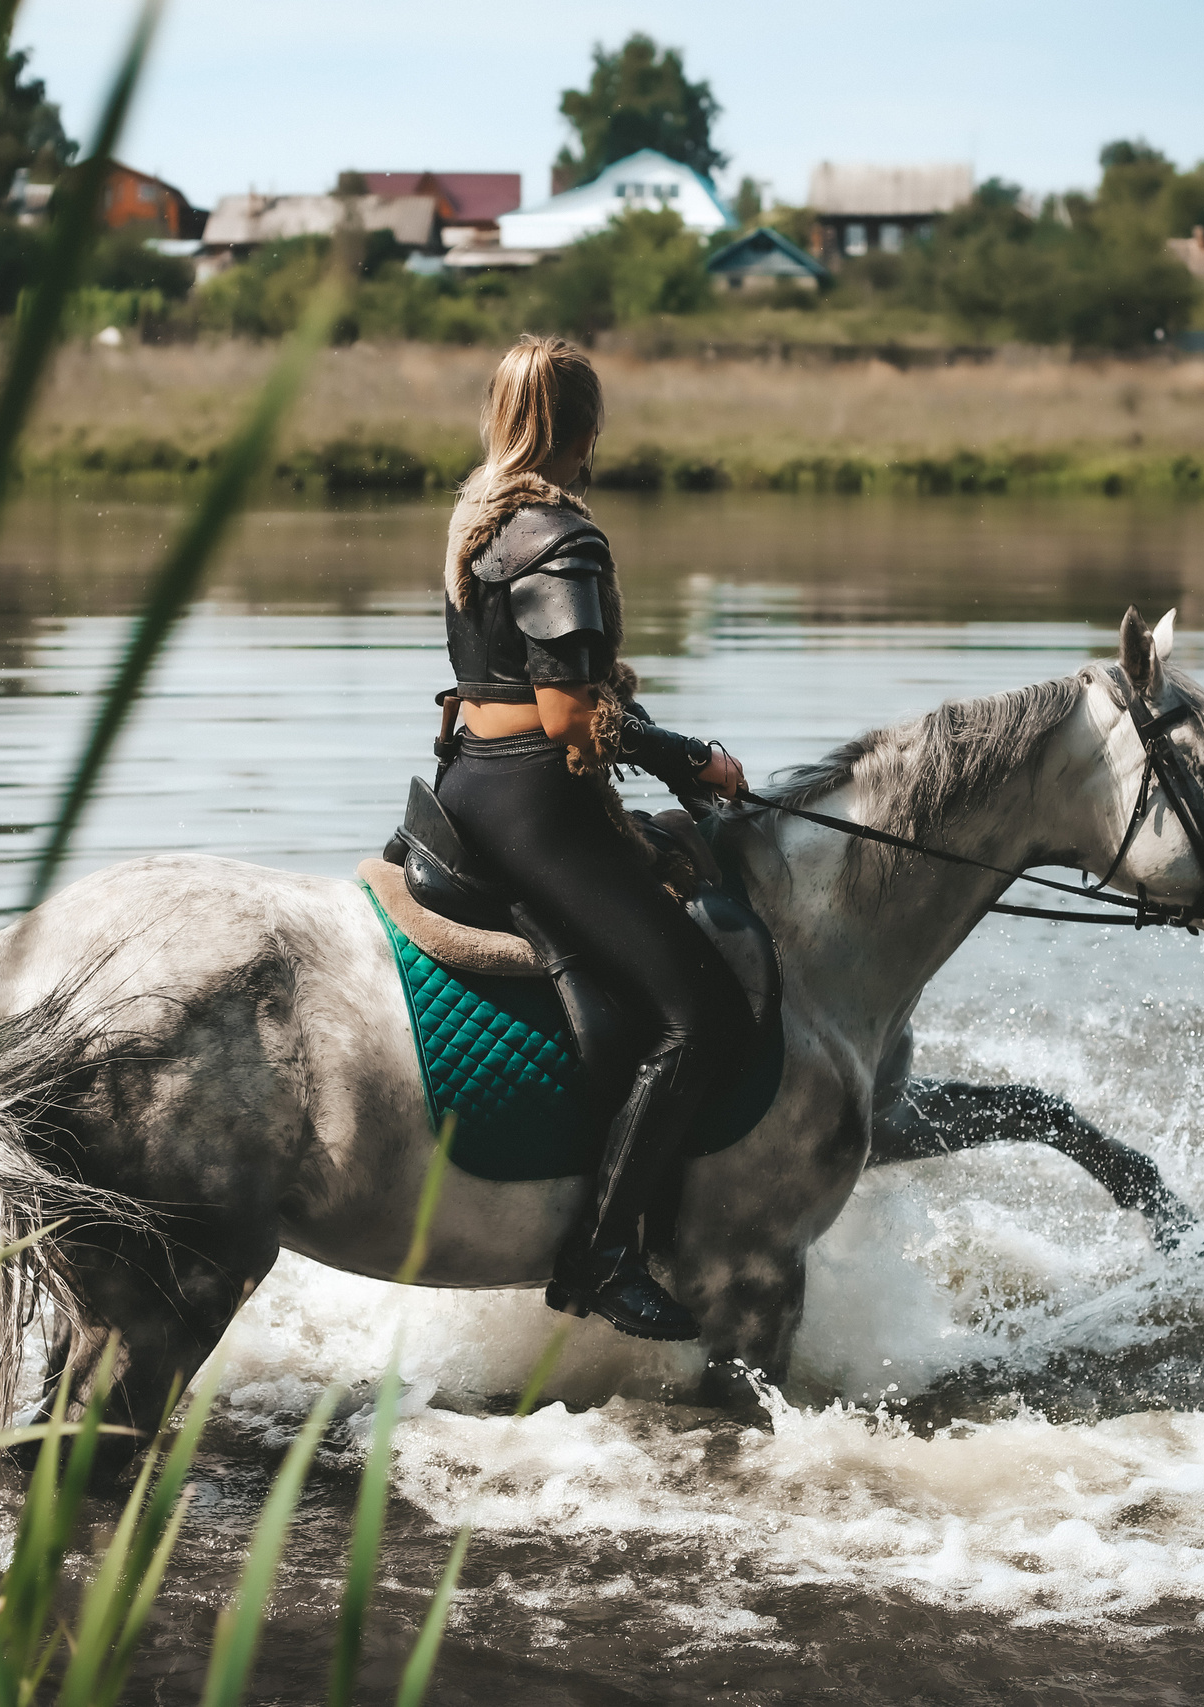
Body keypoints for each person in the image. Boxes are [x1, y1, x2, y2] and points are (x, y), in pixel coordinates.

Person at [434, 335, 754, 1342]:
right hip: (539, 800)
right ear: (583, 427)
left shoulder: (476, 515)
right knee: (701, 1016)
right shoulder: (557, 532)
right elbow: (571, 720)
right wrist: (686, 758)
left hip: (469, 785)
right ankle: (601, 1258)